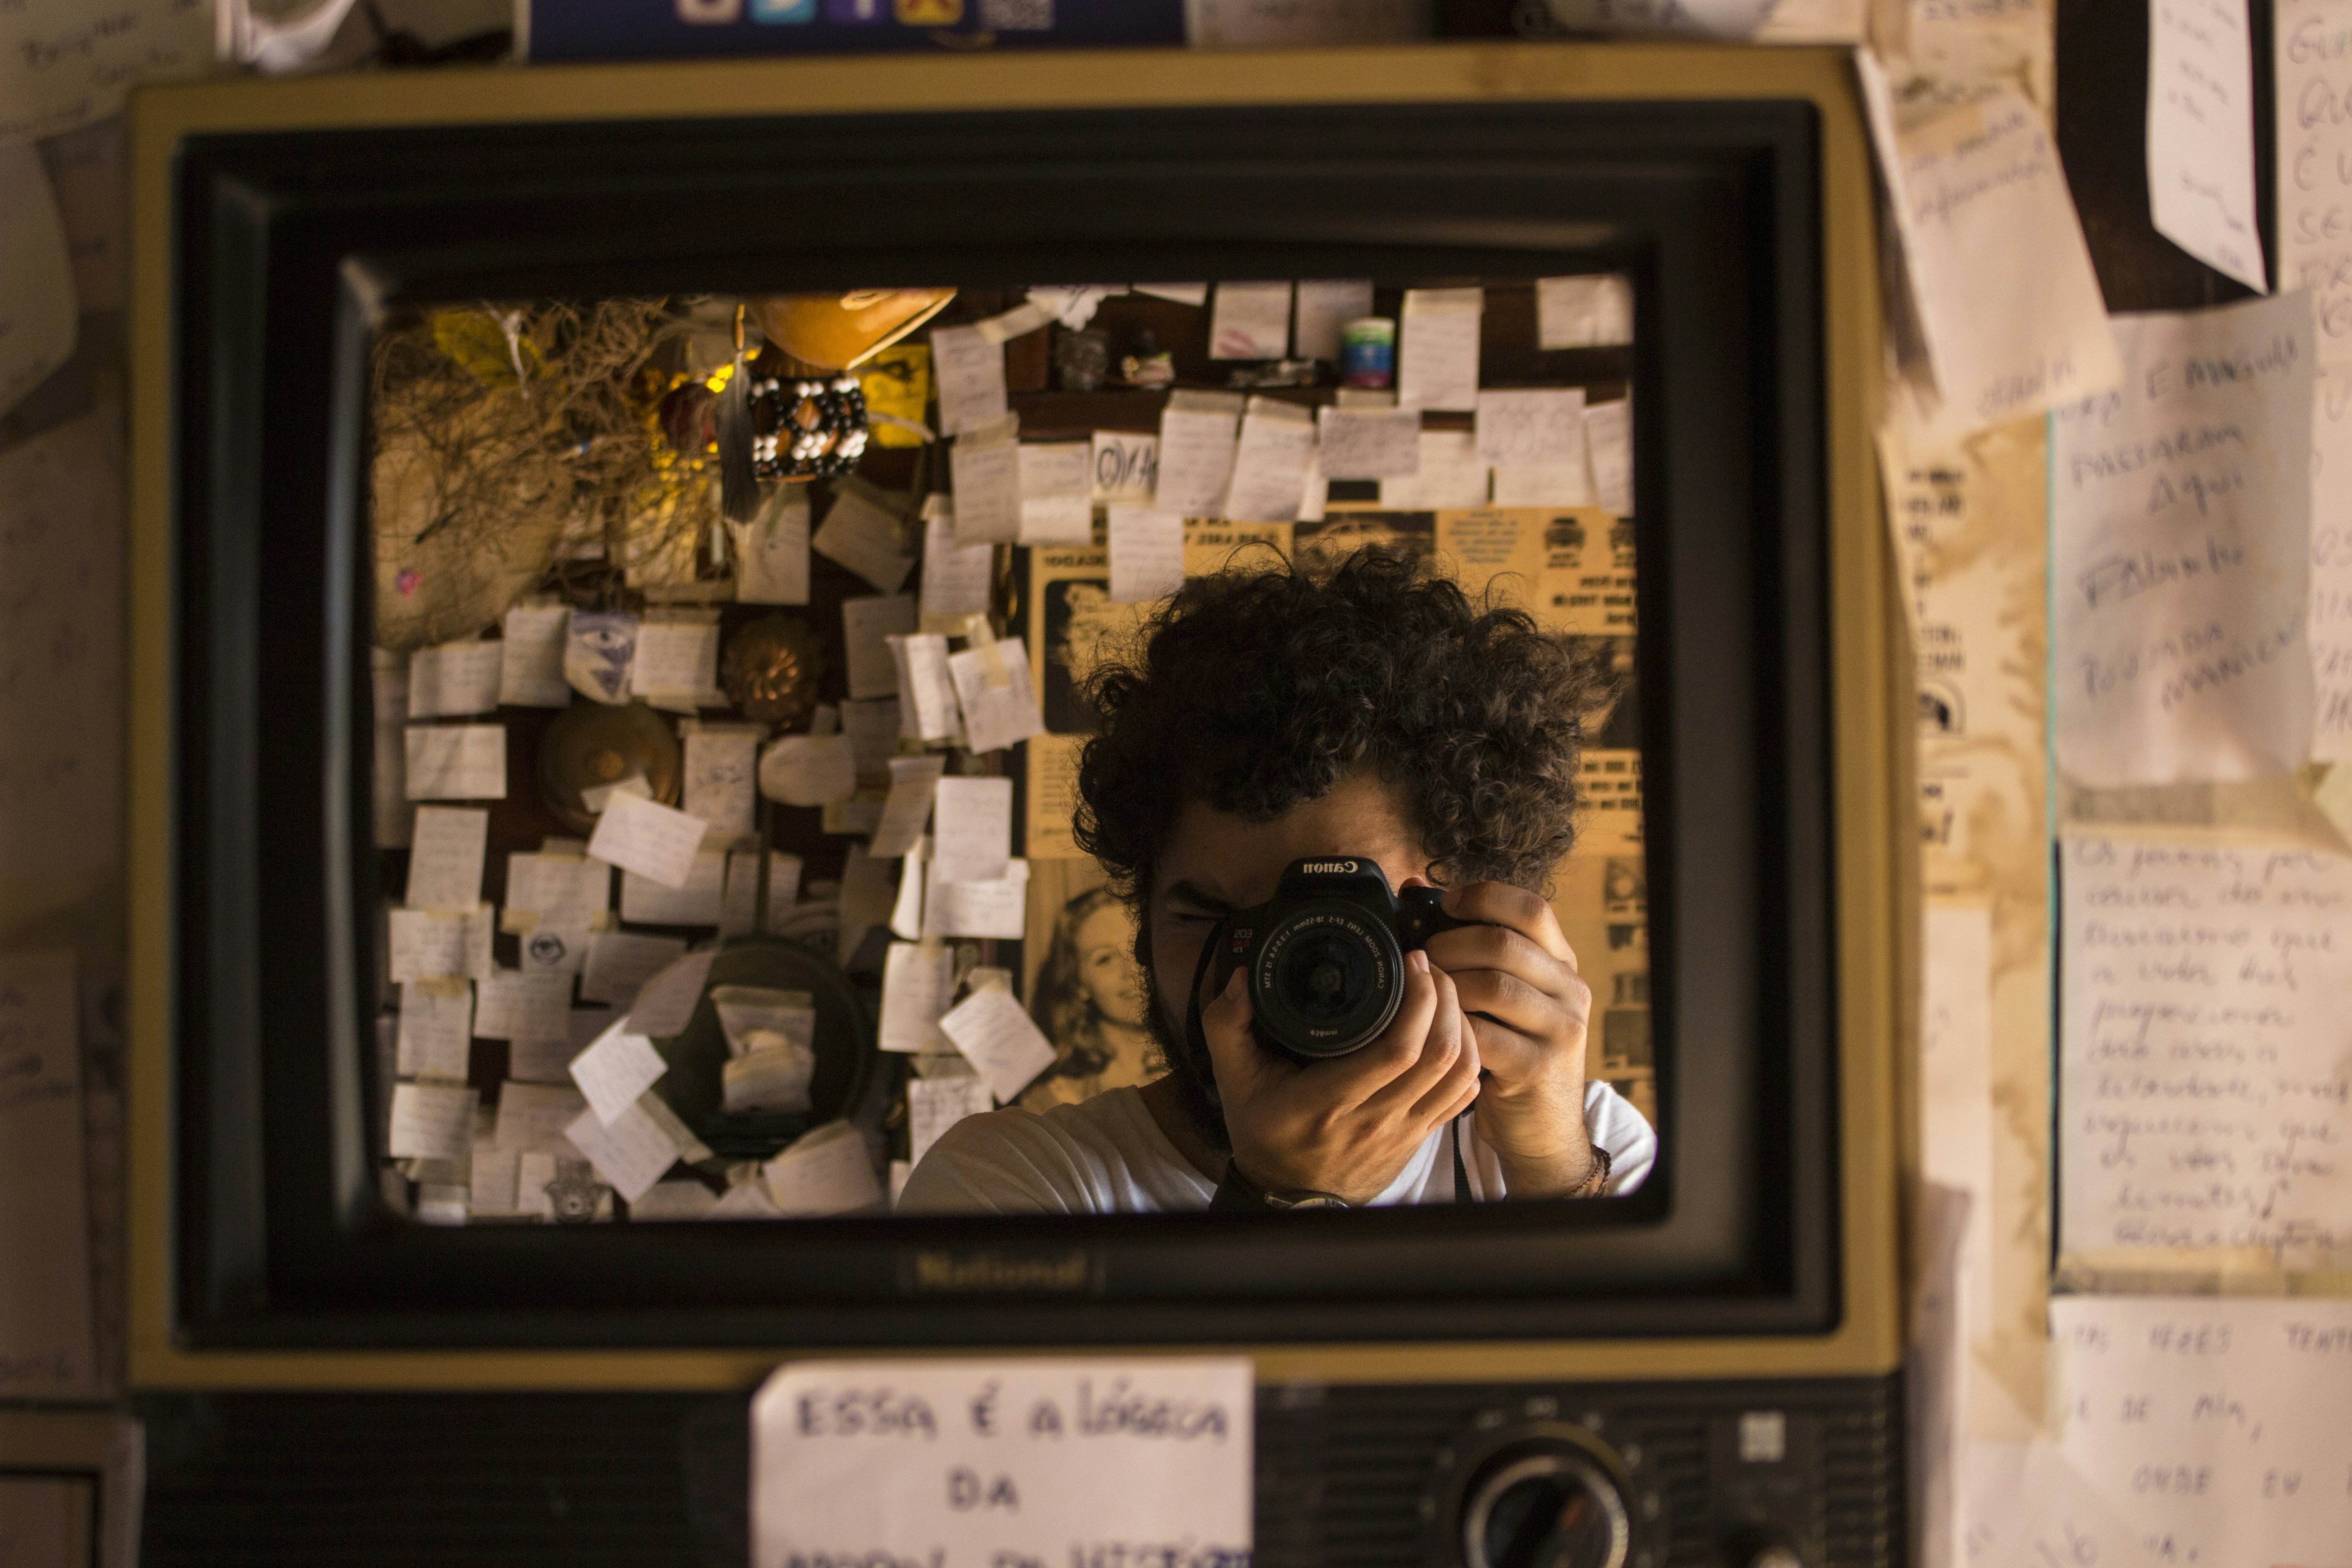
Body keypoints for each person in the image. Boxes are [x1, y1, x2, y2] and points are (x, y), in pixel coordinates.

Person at [898, 547, 1656, 1214]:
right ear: (1140, 920)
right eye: (1206, 916)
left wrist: (1555, 1179)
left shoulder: (1575, 1144)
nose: (1258, 969)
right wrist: (1276, 1199)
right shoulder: (1008, 1186)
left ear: (1464, 920)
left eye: (1334, 921)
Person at [1017, 885, 1165, 1110]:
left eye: (1139, 949)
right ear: (1078, 983)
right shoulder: (1055, 1102)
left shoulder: (1208, 1068)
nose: (1133, 971)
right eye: (1105, 959)